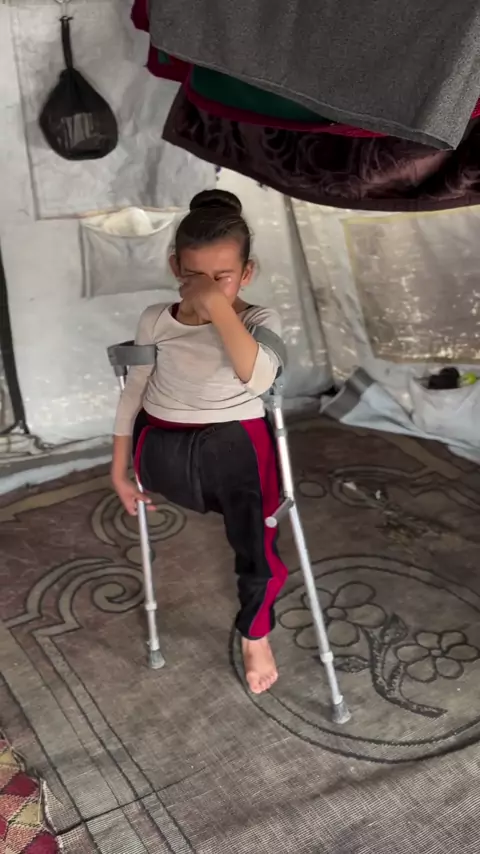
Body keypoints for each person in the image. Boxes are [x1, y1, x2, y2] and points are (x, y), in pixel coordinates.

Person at [111, 189, 288, 694]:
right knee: (155, 417)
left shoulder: (258, 321)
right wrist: (117, 469)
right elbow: (133, 393)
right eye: (195, 276)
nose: (207, 288)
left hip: (233, 451)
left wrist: (216, 307)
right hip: (162, 451)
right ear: (175, 267)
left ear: (247, 274)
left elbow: (259, 379)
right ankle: (255, 629)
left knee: (260, 549)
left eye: (222, 277)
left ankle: (255, 633)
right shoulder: (155, 318)